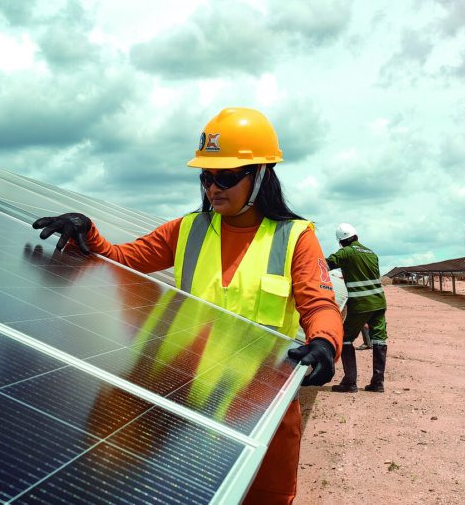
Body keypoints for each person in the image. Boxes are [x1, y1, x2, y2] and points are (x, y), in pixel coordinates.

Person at [33, 107, 343, 505]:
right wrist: (85, 231)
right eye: (207, 177)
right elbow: (118, 259)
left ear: (262, 174)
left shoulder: (295, 237)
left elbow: (319, 303)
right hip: (183, 413)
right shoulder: (187, 230)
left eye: (227, 177)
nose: (214, 188)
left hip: (258, 415)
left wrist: (324, 342)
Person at [326, 223, 388, 392]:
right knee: (379, 339)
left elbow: (325, 265)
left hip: (361, 304)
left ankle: (349, 382)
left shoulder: (345, 252)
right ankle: (377, 384)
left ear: (341, 242)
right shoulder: (371, 253)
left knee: (345, 338)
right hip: (379, 302)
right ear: (356, 237)